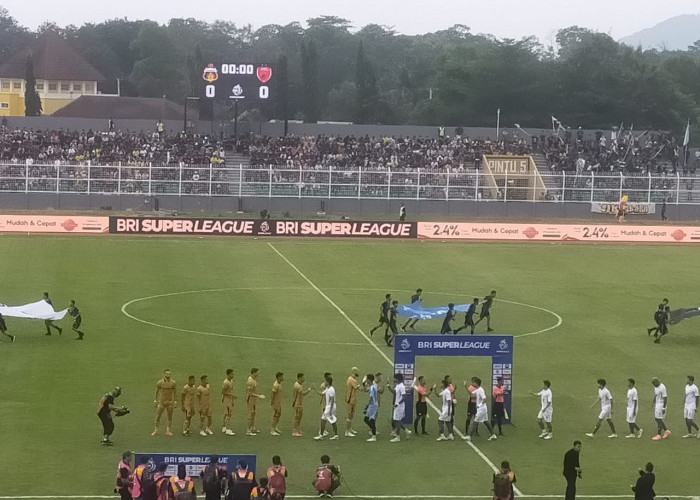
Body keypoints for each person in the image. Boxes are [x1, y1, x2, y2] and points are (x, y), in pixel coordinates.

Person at [464, 376, 498, 441]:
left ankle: (469, 436)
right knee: (486, 422)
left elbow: (484, 399)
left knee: (475, 422)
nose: (472, 384)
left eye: (473, 382)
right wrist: (465, 387)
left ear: (476, 383)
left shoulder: (481, 390)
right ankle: (493, 434)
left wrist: (479, 405)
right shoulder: (477, 390)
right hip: (483, 409)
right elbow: (471, 394)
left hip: (481, 409)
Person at [314, 375, 339, 440]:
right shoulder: (327, 388)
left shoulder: (331, 389)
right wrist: (315, 389)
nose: (324, 383)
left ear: (328, 382)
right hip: (329, 406)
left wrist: (330, 410)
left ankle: (321, 435)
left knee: (326, 420)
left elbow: (332, 400)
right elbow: (322, 394)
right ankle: (335, 435)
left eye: (325, 381)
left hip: (330, 406)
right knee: (329, 420)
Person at [152, 369, 177, 436]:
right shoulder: (160, 382)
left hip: (169, 402)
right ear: (164, 374)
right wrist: (155, 400)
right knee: (158, 416)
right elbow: (156, 391)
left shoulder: (173, 382)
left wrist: (175, 401)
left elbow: (175, 392)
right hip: (161, 402)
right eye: (167, 374)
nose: (168, 375)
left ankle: (168, 430)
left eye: (169, 374)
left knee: (169, 417)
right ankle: (155, 430)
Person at [390, 373, 412, 442]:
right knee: (397, 420)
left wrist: (398, 403)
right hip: (397, 406)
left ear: (397, 379)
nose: (394, 380)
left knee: (396, 421)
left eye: (395, 378)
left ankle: (398, 437)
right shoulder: (398, 386)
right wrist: (388, 386)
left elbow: (404, 397)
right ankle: (407, 431)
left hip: (399, 407)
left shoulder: (401, 386)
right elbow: (394, 393)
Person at [246, 368, 266, 436]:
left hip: (253, 400)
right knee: (250, 415)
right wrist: (259, 396)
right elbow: (250, 393)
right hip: (250, 400)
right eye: (257, 372)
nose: (258, 374)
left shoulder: (253, 379)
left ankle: (252, 428)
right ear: (254, 373)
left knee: (253, 414)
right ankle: (248, 431)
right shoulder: (250, 381)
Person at [291, 373, 311, 437]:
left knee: (299, 417)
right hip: (297, 404)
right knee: (297, 417)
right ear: (299, 378)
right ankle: (294, 431)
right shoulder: (297, 386)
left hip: (300, 403)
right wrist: (309, 390)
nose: (304, 379)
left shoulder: (300, 384)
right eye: (303, 378)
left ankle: (298, 430)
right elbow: (303, 393)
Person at [344, 367, 361, 436]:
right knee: (349, 415)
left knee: (352, 415)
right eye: (357, 371)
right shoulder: (352, 380)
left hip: (352, 399)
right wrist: (364, 386)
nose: (358, 373)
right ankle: (347, 431)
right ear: (354, 372)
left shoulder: (351, 379)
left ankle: (350, 429)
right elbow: (358, 388)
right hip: (350, 399)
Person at [364, 373, 379, 441]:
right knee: (369, 420)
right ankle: (373, 433)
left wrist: (367, 405)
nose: (366, 380)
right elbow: (366, 390)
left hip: (372, 405)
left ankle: (373, 434)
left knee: (368, 419)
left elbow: (371, 397)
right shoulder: (373, 386)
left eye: (367, 379)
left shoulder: (372, 387)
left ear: (369, 380)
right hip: (374, 405)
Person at [222, 369, 236, 435]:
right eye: (232, 374)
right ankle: (228, 429)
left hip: (229, 399)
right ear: (228, 374)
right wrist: (232, 395)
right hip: (227, 400)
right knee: (228, 414)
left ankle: (224, 427)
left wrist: (232, 399)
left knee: (225, 414)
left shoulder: (231, 381)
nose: (233, 375)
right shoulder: (226, 382)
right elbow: (223, 392)